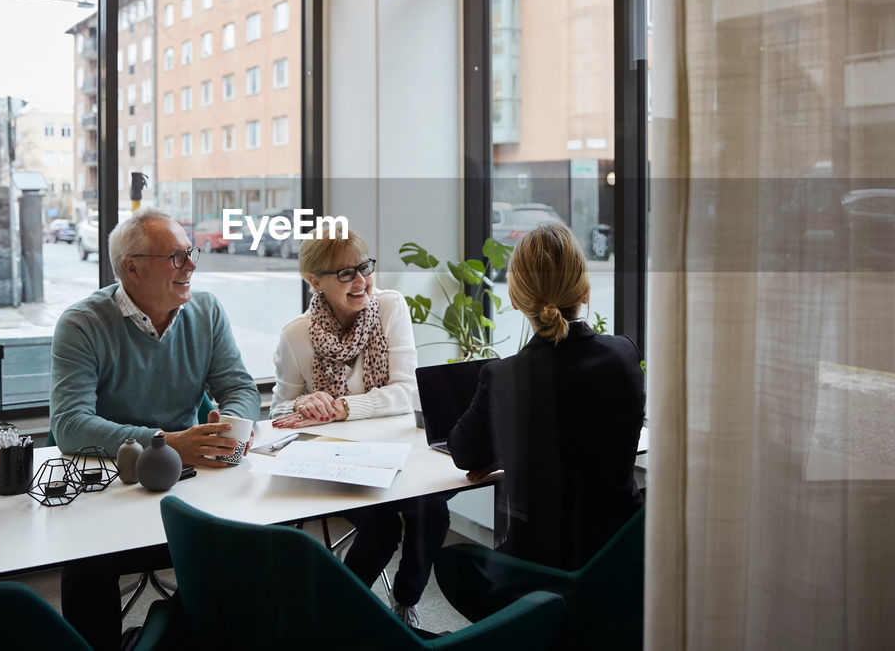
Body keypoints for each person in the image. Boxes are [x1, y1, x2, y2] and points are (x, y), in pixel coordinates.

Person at [50, 206, 261, 650]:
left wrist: (233, 424)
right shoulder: (82, 323)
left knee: (252, 544)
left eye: (191, 253)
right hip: (111, 484)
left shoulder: (206, 311)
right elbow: (69, 425)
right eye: (177, 257)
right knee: (86, 563)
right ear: (133, 267)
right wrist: (166, 445)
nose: (190, 267)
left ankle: (174, 637)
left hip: (189, 482)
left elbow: (239, 386)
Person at [441, 221, 644, 620]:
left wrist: (508, 446)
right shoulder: (624, 354)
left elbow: (464, 452)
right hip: (622, 556)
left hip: (539, 568)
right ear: (584, 291)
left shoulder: (505, 376)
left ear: (515, 300)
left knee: (450, 564)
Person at [271, 228, 450, 629]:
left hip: (398, 454)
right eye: (345, 273)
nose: (361, 281)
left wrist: (342, 407)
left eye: (364, 267)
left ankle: (404, 603)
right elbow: (278, 410)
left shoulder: (390, 308)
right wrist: (303, 402)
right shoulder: (296, 335)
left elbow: (407, 391)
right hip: (337, 462)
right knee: (383, 527)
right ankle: (338, 616)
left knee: (433, 513)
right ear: (315, 281)